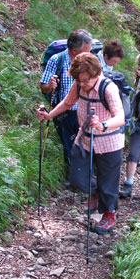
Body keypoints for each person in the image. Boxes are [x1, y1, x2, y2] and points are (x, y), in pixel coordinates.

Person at [37, 53, 125, 234]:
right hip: (84, 138)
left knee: (108, 183)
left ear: (96, 73)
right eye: (79, 80)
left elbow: (120, 117)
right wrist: (49, 115)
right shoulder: (78, 85)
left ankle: (110, 214)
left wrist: (102, 125)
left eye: (85, 80)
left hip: (109, 142)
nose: (82, 84)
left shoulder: (108, 89)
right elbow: (67, 103)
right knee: (77, 178)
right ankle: (96, 192)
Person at [40, 29, 93, 173]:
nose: (89, 54)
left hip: (84, 110)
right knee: (69, 145)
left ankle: (86, 175)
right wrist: (49, 86)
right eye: (86, 51)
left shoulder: (87, 62)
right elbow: (43, 86)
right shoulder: (57, 60)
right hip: (64, 112)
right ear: (75, 50)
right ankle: (74, 177)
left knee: (87, 143)